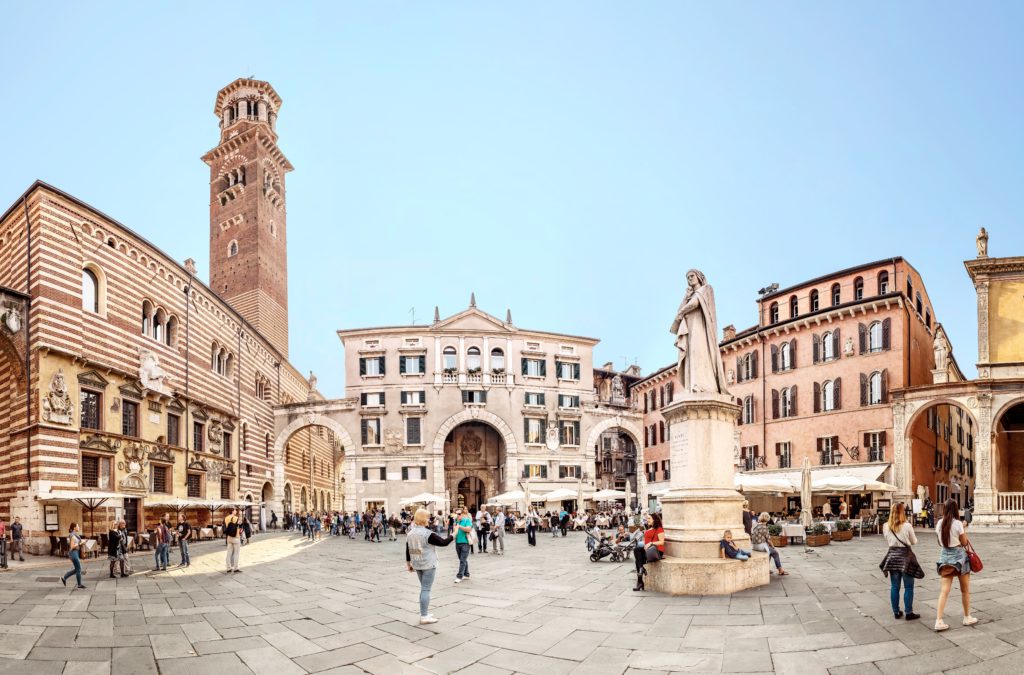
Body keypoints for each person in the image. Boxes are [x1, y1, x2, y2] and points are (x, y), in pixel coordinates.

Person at [406, 508, 454, 624]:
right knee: (426, 589)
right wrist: (453, 535)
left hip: (417, 563)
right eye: (427, 517)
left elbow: (408, 549)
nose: (429, 519)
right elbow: (443, 542)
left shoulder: (410, 532)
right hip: (428, 564)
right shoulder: (428, 534)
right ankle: (424, 616)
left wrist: (408, 563)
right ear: (423, 519)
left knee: (424, 588)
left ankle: (425, 612)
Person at [934, 498, 976, 631]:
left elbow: (940, 543)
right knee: (965, 590)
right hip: (960, 559)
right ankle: (966, 617)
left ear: (945, 509)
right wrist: (963, 528)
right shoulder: (958, 523)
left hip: (945, 558)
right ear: (955, 509)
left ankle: (939, 620)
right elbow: (964, 543)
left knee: (944, 591)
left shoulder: (939, 523)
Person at [880, 502, 920, 621]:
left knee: (894, 586)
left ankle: (896, 612)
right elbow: (913, 542)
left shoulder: (885, 526)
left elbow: (887, 539)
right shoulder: (907, 526)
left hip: (892, 557)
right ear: (902, 512)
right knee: (908, 587)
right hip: (905, 557)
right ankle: (908, 612)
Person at [634, 513, 665, 592]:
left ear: (654, 520)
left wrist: (651, 543)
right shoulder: (649, 528)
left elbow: (661, 542)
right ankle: (641, 572)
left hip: (656, 552)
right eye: (647, 518)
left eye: (649, 518)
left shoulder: (659, 529)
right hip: (648, 551)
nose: (647, 520)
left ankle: (640, 581)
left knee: (638, 558)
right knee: (636, 552)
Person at [60, 522, 86, 589]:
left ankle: (64, 577)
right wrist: (80, 543)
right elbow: (71, 547)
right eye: (78, 526)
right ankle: (79, 585)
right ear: (74, 528)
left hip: (76, 553)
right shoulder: (73, 536)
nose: (79, 527)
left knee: (77, 569)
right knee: (79, 569)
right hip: (74, 554)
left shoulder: (75, 535)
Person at [453, 508, 473, 583]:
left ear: (463, 514)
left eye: (459, 514)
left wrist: (459, 526)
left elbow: (468, 529)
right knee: (462, 559)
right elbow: (455, 531)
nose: (458, 515)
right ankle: (467, 574)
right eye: (456, 514)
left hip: (465, 542)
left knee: (462, 560)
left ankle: (459, 576)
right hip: (457, 542)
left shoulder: (467, 520)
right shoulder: (455, 521)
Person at [224, 509, 242, 574]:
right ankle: (235, 568)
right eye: (235, 510)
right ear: (232, 511)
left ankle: (228, 568)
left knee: (229, 553)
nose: (236, 511)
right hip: (236, 537)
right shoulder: (236, 518)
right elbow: (240, 527)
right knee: (236, 553)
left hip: (229, 537)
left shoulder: (226, 518)